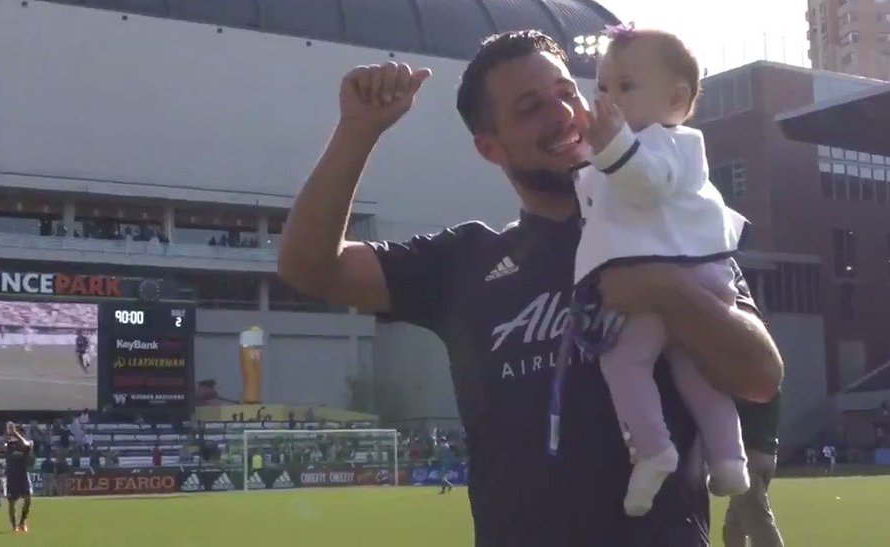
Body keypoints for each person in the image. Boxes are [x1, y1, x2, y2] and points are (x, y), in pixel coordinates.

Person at [278, 30, 783, 547]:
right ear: (489, 146)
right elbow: (310, 266)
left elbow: (761, 376)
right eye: (531, 107)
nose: (563, 113)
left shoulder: (669, 231)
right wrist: (357, 132)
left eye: (567, 93)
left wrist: (663, 287)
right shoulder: (464, 261)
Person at [564, 27, 749, 516]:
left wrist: (606, 147)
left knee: (625, 362)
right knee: (694, 370)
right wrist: (589, 152)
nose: (609, 101)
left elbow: (644, 184)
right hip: (699, 273)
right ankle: (729, 458)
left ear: (676, 100)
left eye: (625, 87)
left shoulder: (669, 142)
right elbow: (599, 186)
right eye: (602, 88)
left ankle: (652, 449)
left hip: (669, 276)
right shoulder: (637, 144)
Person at [722, 397, 785, 547]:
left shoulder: (752, 381)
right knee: (734, 524)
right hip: (759, 454)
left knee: (760, 523)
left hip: (751, 456)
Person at [2, 422, 34, 533]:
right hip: (11, 476)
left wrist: (16, 434)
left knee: (28, 499)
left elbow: (27, 446)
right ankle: (14, 525)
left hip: (23, 475)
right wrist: (8, 434)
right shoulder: (9, 444)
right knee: (12, 503)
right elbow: (2, 447)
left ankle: (22, 522)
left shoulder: (26, 443)